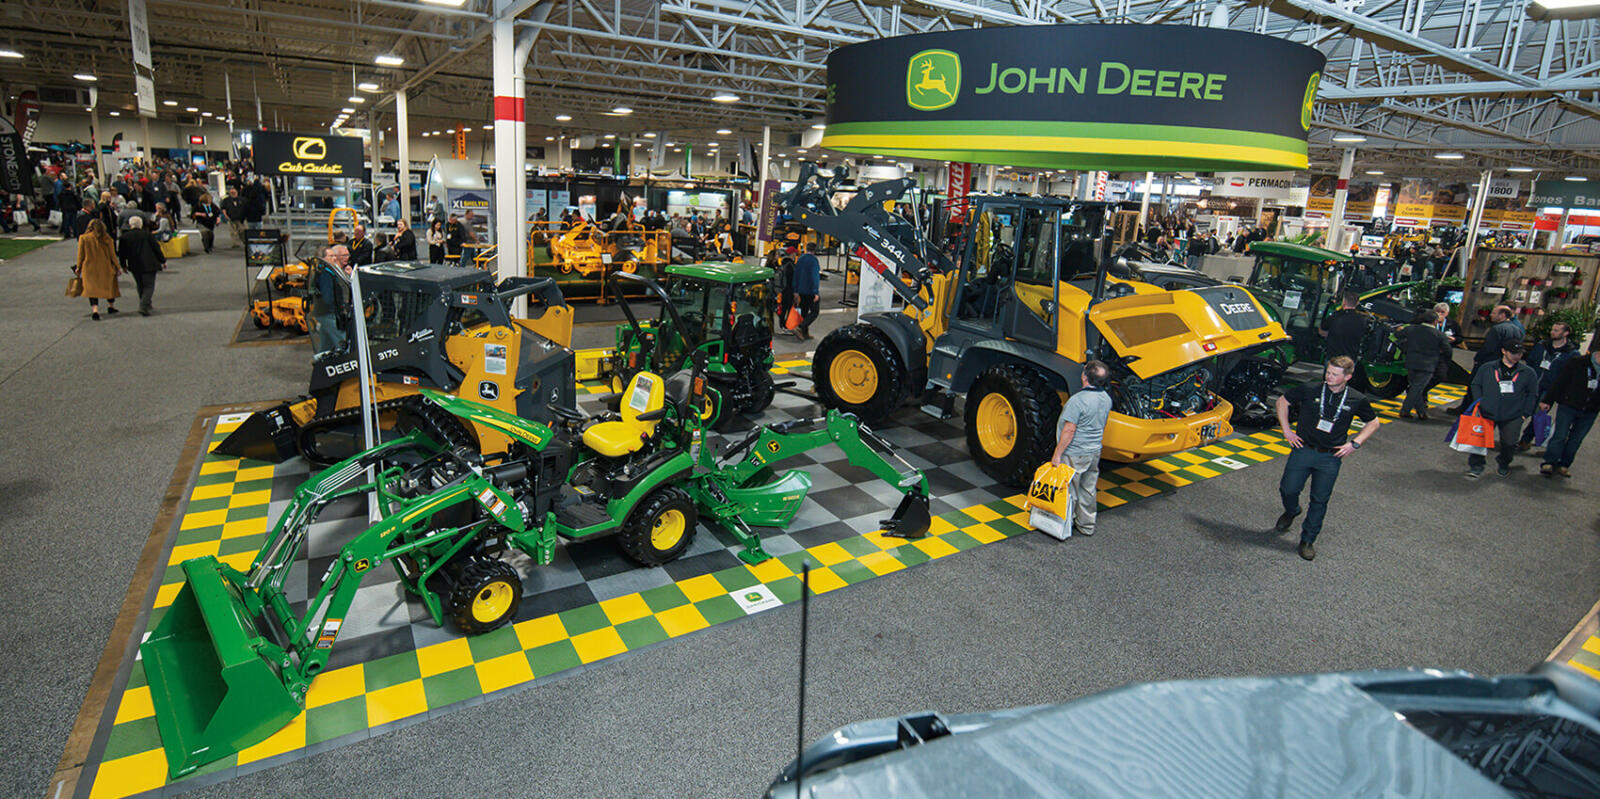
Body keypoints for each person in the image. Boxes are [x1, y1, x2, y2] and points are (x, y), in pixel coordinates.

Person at [1273, 356, 1380, 561]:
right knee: (1288, 489)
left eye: (1334, 374)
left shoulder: (1356, 399)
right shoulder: (1310, 389)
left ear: (1347, 377)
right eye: (1328, 372)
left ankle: (1308, 540)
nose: (1328, 376)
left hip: (1330, 457)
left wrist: (1354, 444)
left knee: (1320, 500)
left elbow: (1373, 423)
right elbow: (1282, 401)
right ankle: (1292, 510)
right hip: (1303, 449)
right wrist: (1287, 430)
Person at [1049, 360, 1114, 537]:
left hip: (1075, 452)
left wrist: (1057, 454)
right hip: (1094, 450)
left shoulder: (1078, 401)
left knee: (1069, 491)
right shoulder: (1106, 399)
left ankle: (1065, 526)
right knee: (1088, 488)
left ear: (1085, 377)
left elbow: (1069, 430)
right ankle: (1086, 525)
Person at [1464, 340, 1539, 479]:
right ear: (1504, 351)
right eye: (1514, 353)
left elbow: (1532, 394)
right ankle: (1476, 465)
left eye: (1520, 353)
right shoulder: (1488, 367)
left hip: (1513, 415)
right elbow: (1476, 384)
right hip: (1486, 412)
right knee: (1479, 440)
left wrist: (1525, 414)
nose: (1517, 356)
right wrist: (1479, 402)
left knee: (1509, 443)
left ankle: (1504, 462)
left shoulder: (1528, 373)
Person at [1539, 343, 1600, 478]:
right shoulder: (1578, 362)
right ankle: (1549, 462)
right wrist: (1548, 400)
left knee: (1576, 439)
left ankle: (1564, 464)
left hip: (1591, 409)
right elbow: (1561, 381)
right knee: (1560, 435)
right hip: (1569, 404)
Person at [1518, 321, 1579, 451]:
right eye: (1552, 329)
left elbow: (1569, 374)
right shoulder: (1541, 345)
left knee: (1539, 414)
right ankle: (1511, 435)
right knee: (1521, 409)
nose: (1552, 332)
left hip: (1550, 389)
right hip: (1532, 383)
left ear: (1565, 333)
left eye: (1556, 330)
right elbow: (1530, 361)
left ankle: (1526, 439)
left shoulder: (1571, 353)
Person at [1455, 305, 1522, 414]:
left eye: (1494, 313)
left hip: (1487, 362)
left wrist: (1478, 358)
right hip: (1504, 364)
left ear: (1502, 315)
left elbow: (1488, 348)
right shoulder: (1517, 329)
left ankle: (1467, 409)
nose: (1491, 315)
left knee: (1475, 385)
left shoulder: (1497, 329)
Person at [1396, 309, 1449, 420]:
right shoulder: (1439, 335)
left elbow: (1398, 335)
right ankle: (1405, 410)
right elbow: (1448, 351)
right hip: (1428, 365)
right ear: (1435, 321)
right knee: (1417, 388)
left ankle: (1421, 413)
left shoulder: (1411, 329)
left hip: (1411, 362)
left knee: (1416, 388)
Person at [117, 215, 166, 316]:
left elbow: (122, 253)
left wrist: (123, 265)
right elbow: (156, 248)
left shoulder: (124, 237)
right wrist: (162, 260)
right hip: (149, 263)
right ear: (141, 224)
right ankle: (143, 306)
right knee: (149, 286)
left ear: (130, 225)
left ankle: (146, 303)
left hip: (134, 264)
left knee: (140, 285)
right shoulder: (147, 235)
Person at [75, 218, 122, 320]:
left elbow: (81, 255)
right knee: (109, 287)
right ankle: (110, 306)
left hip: (89, 267)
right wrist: (118, 267)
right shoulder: (107, 239)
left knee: (92, 289)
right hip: (106, 266)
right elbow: (112, 255)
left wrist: (78, 267)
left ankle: (95, 310)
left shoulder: (83, 238)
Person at [1319, 290, 1369, 362]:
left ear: (1344, 302)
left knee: (1331, 373)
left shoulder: (1335, 316)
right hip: (1350, 359)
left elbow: (1322, 332)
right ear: (1357, 303)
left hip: (1333, 357)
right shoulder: (1362, 320)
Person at [791, 244, 821, 341]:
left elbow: (796, 275)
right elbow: (814, 277)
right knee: (814, 312)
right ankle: (800, 327)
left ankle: (805, 333)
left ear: (806, 249)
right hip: (810, 291)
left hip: (801, 290)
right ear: (815, 250)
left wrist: (795, 290)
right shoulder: (814, 261)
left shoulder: (800, 259)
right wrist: (815, 292)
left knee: (804, 311)